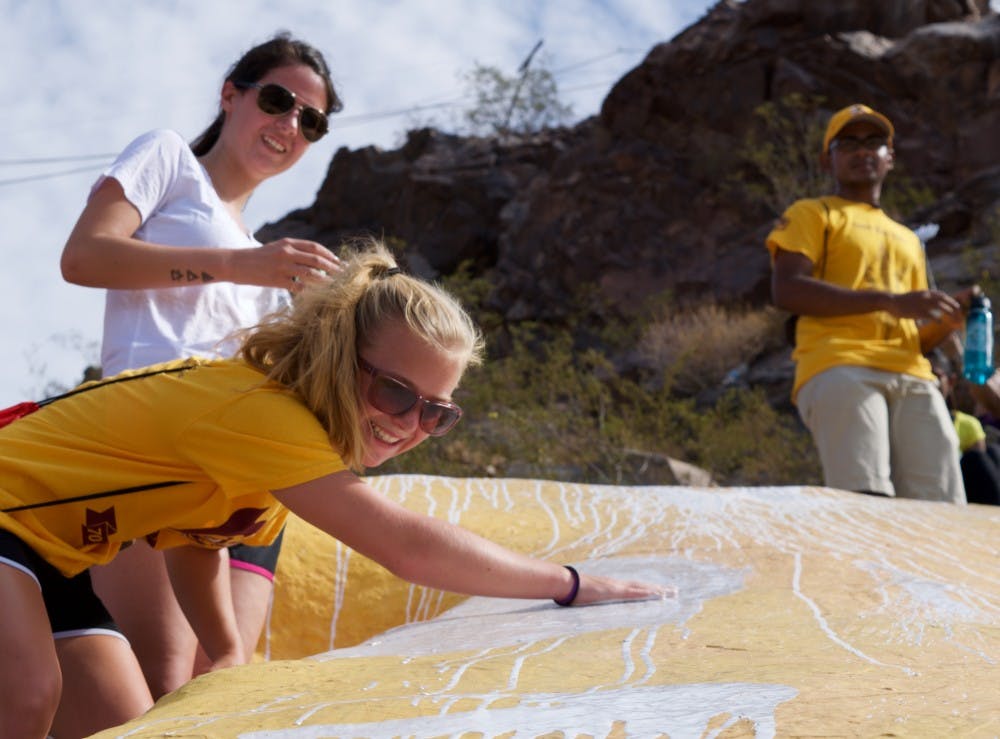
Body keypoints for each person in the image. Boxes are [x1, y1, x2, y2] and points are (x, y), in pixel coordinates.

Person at [0, 240, 673, 738]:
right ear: (334, 353)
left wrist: (228, 647)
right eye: (394, 392)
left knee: (121, 724)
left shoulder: (279, 460)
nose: (409, 423)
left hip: (44, 558)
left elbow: (198, 544)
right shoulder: (262, 413)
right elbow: (404, 544)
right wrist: (571, 582)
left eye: (436, 412)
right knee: (30, 694)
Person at [58, 33, 345, 698]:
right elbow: (84, 256)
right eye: (278, 100)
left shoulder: (273, 268)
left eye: (312, 120)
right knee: (162, 686)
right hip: (146, 453)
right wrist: (241, 265)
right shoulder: (168, 161)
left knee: (221, 694)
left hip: (246, 488)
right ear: (230, 95)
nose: (290, 125)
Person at [766, 103, 968, 503]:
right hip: (839, 366)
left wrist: (946, 322)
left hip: (912, 375)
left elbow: (913, 325)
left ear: (889, 157)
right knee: (866, 501)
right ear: (829, 159)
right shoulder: (813, 214)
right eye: (849, 143)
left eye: (874, 142)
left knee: (945, 508)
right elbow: (786, 290)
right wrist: (889, 302)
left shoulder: (908, 238)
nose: (863, 151)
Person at [928, 350, 1000, 505]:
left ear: (951, 381)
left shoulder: (968, 424)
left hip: (961, 489)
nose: (930, 381)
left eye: (936, 375)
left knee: (982, 456)